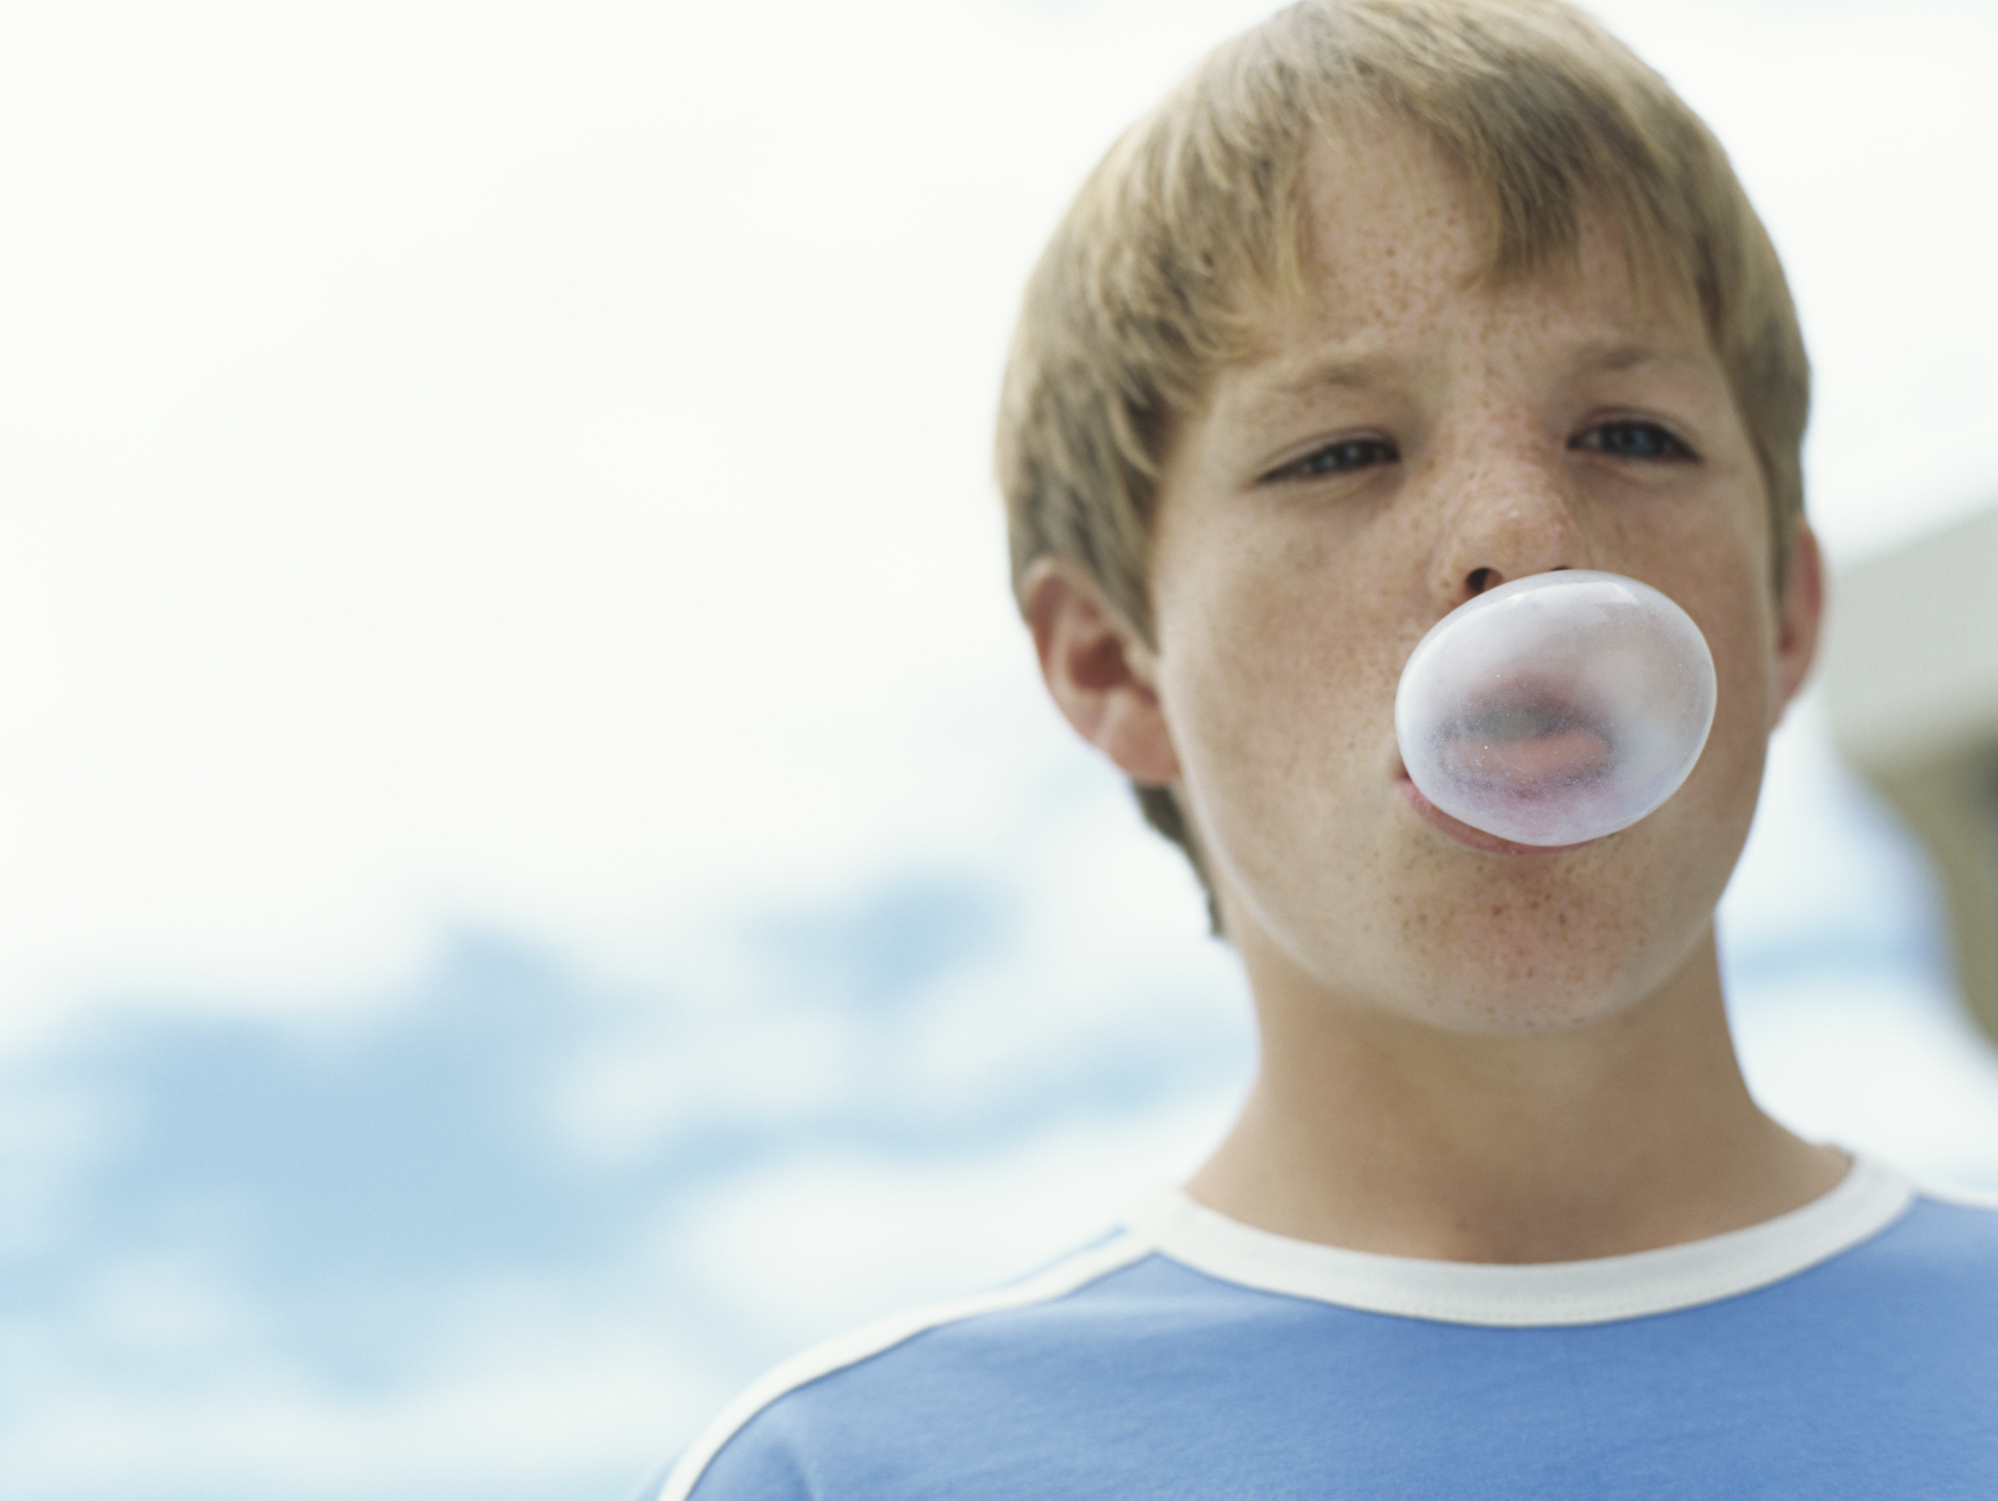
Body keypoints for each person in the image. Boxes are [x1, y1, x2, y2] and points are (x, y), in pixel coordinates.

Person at [639, 2, 1998, 1495]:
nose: (1523, 540)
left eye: (1630, 435)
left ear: (1785, 609)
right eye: (1338, 453)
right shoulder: (848, 1469)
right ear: (1110, 663)